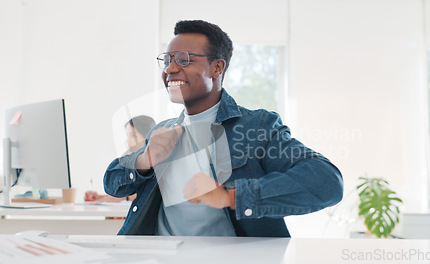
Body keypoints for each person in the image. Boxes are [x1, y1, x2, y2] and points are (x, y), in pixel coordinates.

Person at [104, 20, 343, 237]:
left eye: (184, 59)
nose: (169, 69)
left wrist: (230, 196)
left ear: (217, 68)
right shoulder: (164, 132)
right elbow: (112, 182)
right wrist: (144, 160)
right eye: (167, 61)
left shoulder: (255, 128)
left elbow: (327, 182)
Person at [85, 115, 156, 202]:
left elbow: (142, 194)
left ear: (148, 136)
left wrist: (105, 199)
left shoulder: (156, 164)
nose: (128, 141)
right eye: (127, 136)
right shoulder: (131, 165)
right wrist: (100, 197)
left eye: (133, 136)